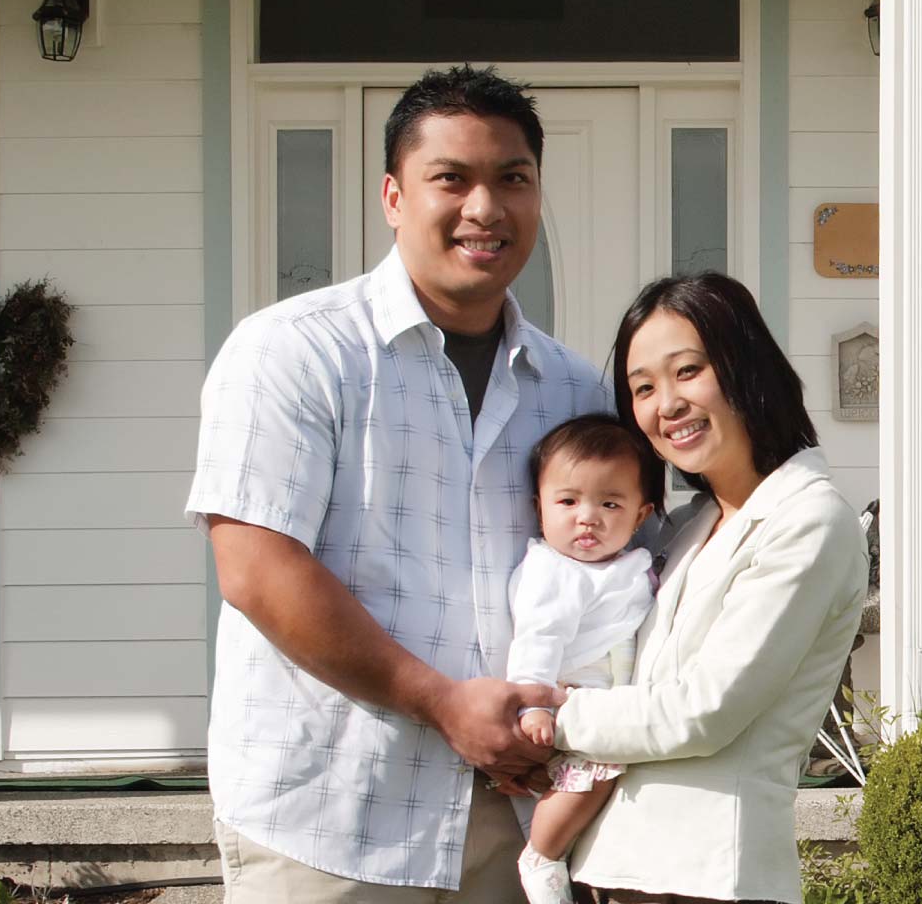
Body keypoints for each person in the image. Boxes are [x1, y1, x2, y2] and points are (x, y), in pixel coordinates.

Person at [185, 64, 613, 901]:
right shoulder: (294, 353)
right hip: (331, 816)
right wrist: (443, 702)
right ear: (393, 196)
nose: (485, 208)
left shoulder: (575, 391)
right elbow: (255, 568)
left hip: (516, 822)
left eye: (512, 180)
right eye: (450, 178)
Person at [550, 272, 869, 904]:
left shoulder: (808, 520)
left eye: (687, 371)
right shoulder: (687, 527)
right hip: (617, 866)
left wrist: (552, 715)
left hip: (707, 875)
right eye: (643, 388)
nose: (665, 404)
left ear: (745, 366)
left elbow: (707, 710)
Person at [503, 415, 661, 904]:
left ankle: (563, 854)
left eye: (609, 503)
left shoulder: (629, 564)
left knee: (600, 785)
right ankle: (542, 855)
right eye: (568, 502)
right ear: (540, 508)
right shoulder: (553, 572)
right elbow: (537, 638)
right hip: (566, 701)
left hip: (614, 702)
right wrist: (533, 704)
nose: (587, 517)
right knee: (591, 777)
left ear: (640, 515)